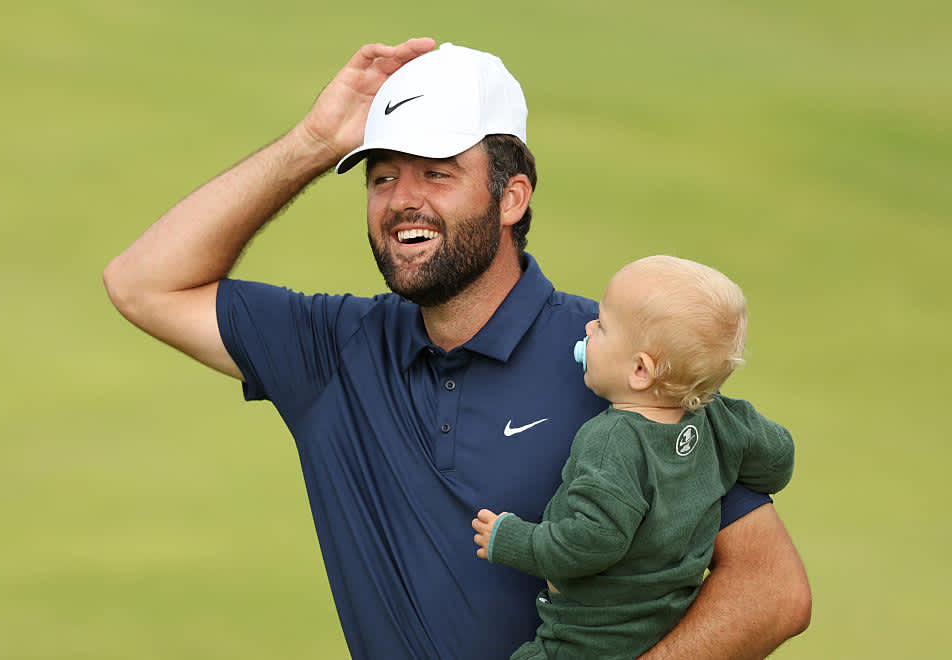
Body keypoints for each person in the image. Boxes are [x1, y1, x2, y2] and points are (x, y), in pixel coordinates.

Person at [103, 38, 810, 660]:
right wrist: (313, 144)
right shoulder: (330, 351)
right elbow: (141, 284)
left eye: (437, 173)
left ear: (511, 198)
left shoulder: (620, 361)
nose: (402, 200)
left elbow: (771, 589)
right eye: (382, 176)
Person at [472, 255, 795, 659]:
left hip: (586, 642)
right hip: (667, 622)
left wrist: (512, 539)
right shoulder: (722, 420)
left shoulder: (612, 440)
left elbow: (589, 543)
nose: (588, 327)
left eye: (602, 326)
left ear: (640, 371)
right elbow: (778, 461)